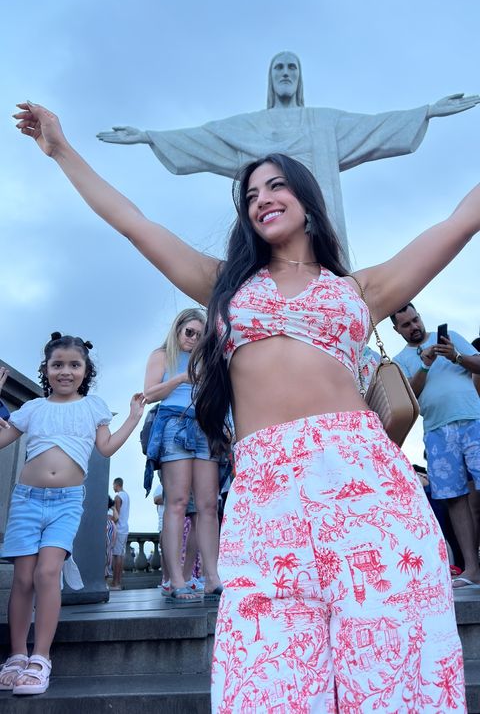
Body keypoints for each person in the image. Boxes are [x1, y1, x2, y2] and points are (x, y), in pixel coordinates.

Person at [13, 101, 479, 711]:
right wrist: (62, 151)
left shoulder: (360, 289)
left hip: (365, 482)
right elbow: (134, 222)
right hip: (268, 488)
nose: (262, 197)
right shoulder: (223, 288)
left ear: (308, 199)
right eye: (251, 193)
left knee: (388, 658)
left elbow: (460, 221)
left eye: (277, 184)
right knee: (270, 673)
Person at [97, 50, 480, 259]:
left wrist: (427, 111)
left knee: (328, 270)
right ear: (270, 77)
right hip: (271, 235)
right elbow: (203, 139)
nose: (285, 72)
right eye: (278, 67)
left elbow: (374, 127)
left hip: (321, 223)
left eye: (291, 67)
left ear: (299, 77)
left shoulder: (323, 122)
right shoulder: (247, 127)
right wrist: (149, 137)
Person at [0, 331, 145, 695]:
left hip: (65, 502)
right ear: (46, 369)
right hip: (26, 500)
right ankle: (17, 655)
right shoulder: (32, 409)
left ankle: (41, 658)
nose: (65, 371)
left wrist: (132, 417)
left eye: (74, 365)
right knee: (23, 578)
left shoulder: (93, 406)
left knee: (48, 572)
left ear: (86, 370)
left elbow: (107, 448)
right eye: (57, 364)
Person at [392, 304, 480, 589]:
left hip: (473, 422)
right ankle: (472, 569)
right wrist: (424, 364)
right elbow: (409, 398)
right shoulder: (399, 361)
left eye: (415, 320)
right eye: (406, 325)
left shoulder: (451, 336)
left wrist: (455, 355)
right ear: (396, 330)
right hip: (437, 433)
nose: (414, 326)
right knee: (454, 498)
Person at [143, 309, 221, 604]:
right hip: (173, 423)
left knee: (208, 505)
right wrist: (181, 378)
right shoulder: (162, 355)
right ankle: (176, 579)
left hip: (206, 426)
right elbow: (149, 394)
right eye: (189, 332)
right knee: (176, 503)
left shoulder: (210, 360)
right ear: (178, 330)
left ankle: (211, 578)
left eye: (201, 336)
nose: (194, 339)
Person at [110, 477, 130, 590]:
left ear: (116, 484)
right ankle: (118, 582)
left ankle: (115, 583)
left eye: (113, 485)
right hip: (125, 528)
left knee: (116, 556)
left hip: (119, 528)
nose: (113, 487)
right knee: (120, 556)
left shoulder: (118, 497)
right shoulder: (126, 495)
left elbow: (116, 516)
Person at [105, 496, 118, 579]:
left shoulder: (106, 509)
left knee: (106, 550)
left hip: (107, 527)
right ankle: (106, 572)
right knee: (108, 550)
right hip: (111, 527)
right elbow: (116, 518)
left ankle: (105, 572)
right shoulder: (111, 509)